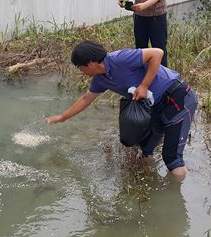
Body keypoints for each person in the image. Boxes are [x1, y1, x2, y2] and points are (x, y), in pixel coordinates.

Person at [45, 41, 198, 180]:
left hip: (177, 98)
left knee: (172, 158)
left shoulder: (120, 58)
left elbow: (157, 53)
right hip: (155, 106)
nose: (80, 71)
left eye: (80, 67)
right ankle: (148, 185)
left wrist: (144, 85)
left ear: (90, 63)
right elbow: (85, 99)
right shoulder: (100, 79)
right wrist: (62, 117)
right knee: (145, 149)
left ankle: (181, 193)